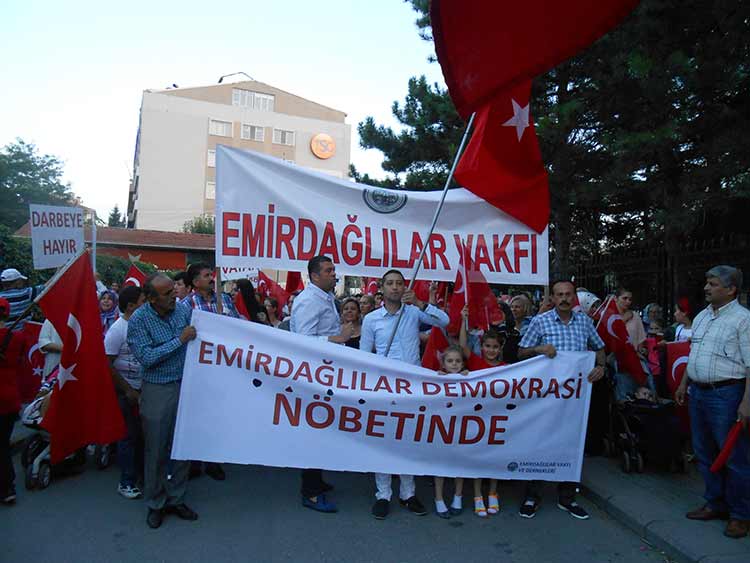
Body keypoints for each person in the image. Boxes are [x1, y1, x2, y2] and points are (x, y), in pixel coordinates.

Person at [360, 269, 448, 520]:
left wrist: (421, 303)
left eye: (399, 283)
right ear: (382, 288)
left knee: (407, 439)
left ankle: (408, 493)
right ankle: (383, 494)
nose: (396, 287)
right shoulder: (371, 320)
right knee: (383, 440)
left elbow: (444, 322)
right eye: (390, 283)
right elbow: (364, 356)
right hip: (383, 387)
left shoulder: (413, 312)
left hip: (412, 387)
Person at [517, 280, 606, 520]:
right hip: (545, 397)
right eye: (560, 295)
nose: (564, 298)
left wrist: (601, 366)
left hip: (572, 399)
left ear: (574, 297)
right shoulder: (540, 322)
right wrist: (539, 349)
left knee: (570, 445)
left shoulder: (586, 323)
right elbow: (520, 352)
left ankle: (567, 498)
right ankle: (532, 496)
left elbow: (599, 348)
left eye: (568, 294)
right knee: (539, 443)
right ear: (553, 298)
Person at [675, 265, 750, 539]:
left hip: (727, 395)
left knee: (733, 456)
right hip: (698, 393)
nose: (706, 288)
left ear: (731, 289)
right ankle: (715, 503)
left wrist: (747, 402)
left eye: (713, 284)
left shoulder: (743, 320)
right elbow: (694, 353)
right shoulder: (703, 317)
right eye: (707, 282)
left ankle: (740, 515)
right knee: (705, 453)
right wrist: (684, 383)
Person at [127, 274, 198, 529]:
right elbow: (147, 357)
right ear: (152, 299)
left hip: (186, 385)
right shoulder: (138, 321)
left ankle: (177, 497)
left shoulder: (183, 310)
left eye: (173, 291)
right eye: (167, 294)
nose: (174, 296)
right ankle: (156, 502)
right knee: (156, 448)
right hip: (158, 387)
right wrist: (179, 340)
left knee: (182, 446)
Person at [290, 255, 354, 513]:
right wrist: (337, 339)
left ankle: (317, 479)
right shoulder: (308, 301)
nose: (333, 274)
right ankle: (311, 492)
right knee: (313, 432)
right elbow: (302, 341)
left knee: (322, 429)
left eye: (334, 269)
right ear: (314, 275)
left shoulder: (325, 297)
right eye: (328, 270)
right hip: (311, 375)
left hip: (325, 372)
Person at [180, 263, 236, 482]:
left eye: (211, 275)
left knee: (216, 415)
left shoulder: (225, 300)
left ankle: (213, 460)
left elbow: (238, 324)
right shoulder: (186, 305)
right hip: (198, 368)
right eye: (206, 276)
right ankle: (193, 460)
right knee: (196, 415)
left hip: (221, 366)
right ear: (195, 282)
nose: (212, 279)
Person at [459, 306, 505, 515]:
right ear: (482, 346)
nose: (491, 350)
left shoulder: (507, 368)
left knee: (495, 456)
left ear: (500, 348)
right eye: (487, 346)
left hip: (497, 417)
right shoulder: (476, 362)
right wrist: (463, 321)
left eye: (495, 346)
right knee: (479, 456)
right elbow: (461, 346)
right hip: (477, 417)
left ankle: (493, 493)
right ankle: (478, 494)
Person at [105, 285, 146, 500]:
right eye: (143, 302)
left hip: (143, 389)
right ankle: (126, 482)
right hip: (126, 392)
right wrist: (127, 389)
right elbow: (107, 363)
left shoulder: (142, 325)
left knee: (141, 436)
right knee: (128, 438)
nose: (147, 305)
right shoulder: (118, 330)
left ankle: (141, 475)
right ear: (131, 306)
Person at [433, 345, 468, 519]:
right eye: (450, 361)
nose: (454, 364)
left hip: (462, 427)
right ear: (443, 363)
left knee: (459, 463)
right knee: (440, 464)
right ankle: (438, 498)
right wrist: (436, 378)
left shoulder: (470, 378)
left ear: (462, 363)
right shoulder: (437, 378)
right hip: (443, 427)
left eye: (457, 361)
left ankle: (458, 496)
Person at [0, 298, 23, 504]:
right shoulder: (17, 337)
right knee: (3, 444)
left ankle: (6, 487)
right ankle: (8, 487)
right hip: (10, 396)